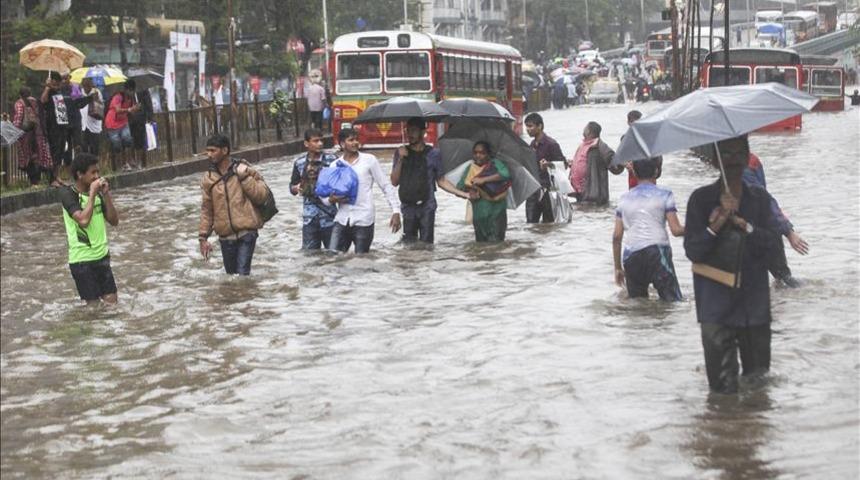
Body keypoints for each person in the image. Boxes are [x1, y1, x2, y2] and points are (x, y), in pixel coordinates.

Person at [684, 135, 781, 395]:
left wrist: (744, 225)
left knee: (758, 388)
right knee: (721, 393)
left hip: (754, 307)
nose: (733, 160)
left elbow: (773, 244)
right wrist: (718, 223)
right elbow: (693, 251)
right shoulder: (700, 200)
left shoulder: (759, 199)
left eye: (739, 153)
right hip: (716, 309)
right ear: (715, 160)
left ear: (748, 156)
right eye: (726, 154)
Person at [612, 158, 684, 301]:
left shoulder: (624, 199)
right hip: (658, 252)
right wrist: (701, 226)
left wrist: (618, 268)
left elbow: (616, 237)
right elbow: (676, 230)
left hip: (632, 256)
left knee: (638, 305)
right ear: (656, 171)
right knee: (673, 302)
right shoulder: (665, 195)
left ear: (634, 173)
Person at [198, 135, 271, 275]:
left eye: (213, 150)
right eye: (207, 151)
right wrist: (203, 238)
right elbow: (207, 209)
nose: (209, 154)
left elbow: (262, 196)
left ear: (224, 150)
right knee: (231, 277)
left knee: (242, 274)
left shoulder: (244, 169)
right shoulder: (208, 178)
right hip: (225, 237)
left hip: (247, 232)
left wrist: (244, 178)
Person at [390, 117, 468, 244]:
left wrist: (463, 194)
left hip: (427, 206)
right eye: (408, 131)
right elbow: (394, 182)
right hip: (408, 207)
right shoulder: (400, 153)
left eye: (414, 131)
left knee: (427, 244)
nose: (410, 134)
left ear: (423, 132)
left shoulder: (434, 153)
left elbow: (441, 181)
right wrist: (400, 160)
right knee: (409, 244)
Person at [324, 128, 401, 254]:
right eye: (351, 140)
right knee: (333, 257)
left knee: (362, 260)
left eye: (356, 139)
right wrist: (330, 200)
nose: (355, 143)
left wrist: (396, 211)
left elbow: (385, 186)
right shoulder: (334, 165)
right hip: (342, 219)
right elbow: (325, 195)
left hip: (364, 219)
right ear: (342, 144)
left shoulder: (369, 160)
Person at [59, 153, 120, 304]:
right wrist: (92, 194)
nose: (97, 176)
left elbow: (114, 221)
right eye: (93, 172)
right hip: (82, 262)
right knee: (94, 309)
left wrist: (106, 195)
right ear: (80, 174)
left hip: (102, 257)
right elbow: (83, 220)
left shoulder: (99, 195)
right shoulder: (68, 194)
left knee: (112, 303)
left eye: (98, 172)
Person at [743, 152, 808, 287]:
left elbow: (766, 201)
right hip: (763, 229)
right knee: (782, 281)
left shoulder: (743, 169)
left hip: (759, 231)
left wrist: (788, 232)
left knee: (783, 282)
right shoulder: (751, 159)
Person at [290, 128, 338, 250]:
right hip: (309, 219)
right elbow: (292, 187)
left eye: (321, 141)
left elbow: (342, 183)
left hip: (330, 217)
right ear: (306, 143)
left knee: (335, 255)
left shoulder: (332, 160)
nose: (320, 144)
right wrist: (297, 188)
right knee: (310, 257)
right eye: (315, 141)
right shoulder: (299, 163)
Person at [41, 72, 92, 187]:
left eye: (60, 81)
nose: (58, 83)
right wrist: (47, 87)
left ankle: (57, 176)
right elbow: (43, 100)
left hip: (63, 125)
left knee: (60, 152)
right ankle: (51, 179)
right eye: (56, 81)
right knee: (54, 151)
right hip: (52, 125)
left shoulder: (62, 91)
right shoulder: (49, 91)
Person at [457, 141, 511, 242]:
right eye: (475, 153)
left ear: (488, 154)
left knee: (496, 245)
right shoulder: (470, 168)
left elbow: (505, 174)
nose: (478, 156)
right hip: (479, 216)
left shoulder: (495, 164)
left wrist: (484, 180)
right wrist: (469, 192)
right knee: (480, 247)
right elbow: (460, 187)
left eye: (482, 153)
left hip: (496, 214)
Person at [524, 112, 567, 223]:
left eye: (530, 126)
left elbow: (563, 165)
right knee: (531, 224)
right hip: (533, 190)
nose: (528, 129)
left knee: (549, 224)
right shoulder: (532, 144)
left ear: (540, 126)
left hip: (548, 191)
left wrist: (548, 165)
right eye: (526, 126)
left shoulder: (551, 144)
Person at [570, 121, 624, 205]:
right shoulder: (582, 145)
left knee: (595, 213)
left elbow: (616, 165)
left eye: (585, 128)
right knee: (581, 215)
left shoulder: (601, 146)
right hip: (579, 193)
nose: (583, 130)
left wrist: (621, 162)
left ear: (590, 132)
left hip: (593, 195)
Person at [12, 86, 52, 186]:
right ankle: (41, 180)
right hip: (38, 134)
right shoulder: (36, 102)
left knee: (28, 158)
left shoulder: (19, 103)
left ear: (20, 94)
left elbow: (18, 120)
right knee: (38, 157)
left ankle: (34, 182)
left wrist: (13, 130)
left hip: (26, 136)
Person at [624, 111, 662, 189]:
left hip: (650, 176)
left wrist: (657, 169)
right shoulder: (625, 139)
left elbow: (658, 156)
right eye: (633, 123)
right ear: (628, 122)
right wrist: (626, 164)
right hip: (633, 177)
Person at [104, 82, 138, 171]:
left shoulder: (132, 99)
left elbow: (131, 112)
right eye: (130, 90)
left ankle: (130, 160)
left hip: (123, 122)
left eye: (133, 91)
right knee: (117, 145)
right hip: (112, 123)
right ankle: (122, 164)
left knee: (128, 140)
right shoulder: (118, 97)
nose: (131, 93)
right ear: (126, 90)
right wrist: (129, 109)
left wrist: (135, 109)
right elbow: (118, 110)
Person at [127, 79, 154, 168]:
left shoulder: (143, 90)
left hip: (140, 119)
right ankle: (132, 161)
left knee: (140, 141)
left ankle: (141, 162)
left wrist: (150, 117)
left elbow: (148, 103)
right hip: (129, 120)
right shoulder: (126, 92)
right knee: (131, 141)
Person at [79, 78, 104, 156]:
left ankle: (94, 164)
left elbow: (101, 106)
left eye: (88, 86)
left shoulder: (97, 92)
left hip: (94, 123)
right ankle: (86, 166)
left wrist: (96, 99)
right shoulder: (81, 93)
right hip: (83, 123)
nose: (86, 89)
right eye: (85, 87)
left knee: (94, 147)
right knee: (84, 146)